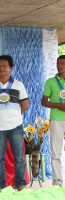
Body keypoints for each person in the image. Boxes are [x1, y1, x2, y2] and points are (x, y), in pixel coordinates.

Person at [0, 55, 29, 193]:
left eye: (4, 66)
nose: (1, 68)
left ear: (11, 68)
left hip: (16, 127)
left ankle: (20, 183)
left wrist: (15, 115)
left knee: (19, 157)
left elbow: (25, 104)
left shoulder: (18, 84)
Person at [41, 55, 65, 187]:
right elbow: (43, 101)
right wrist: (58, 105)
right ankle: (57, 181)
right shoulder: (50, 81)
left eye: (62, 63)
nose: (59, 66)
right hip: (56, 120)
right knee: (56, 152)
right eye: (58, 63)